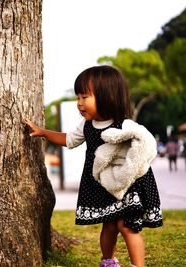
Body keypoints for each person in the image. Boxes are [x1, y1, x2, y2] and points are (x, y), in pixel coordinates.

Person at [23, 65, 163, 267]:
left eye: (84, 97)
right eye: (78, 97)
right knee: (109, 225)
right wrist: (44, 132)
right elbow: (69, 140)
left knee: (126, 226)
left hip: (127, 184)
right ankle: (108, 262)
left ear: (107, 96)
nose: (79, 104)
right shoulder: (87, 125)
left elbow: (144, 146)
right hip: (100, 182)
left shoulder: (124, 124)